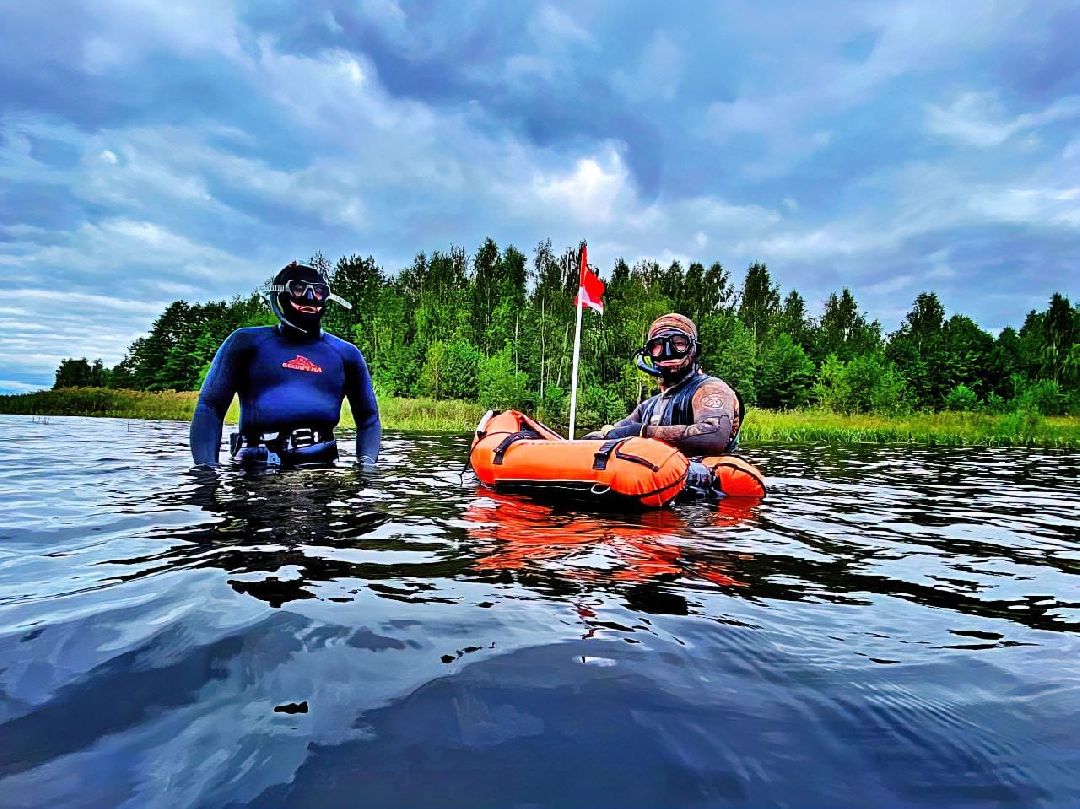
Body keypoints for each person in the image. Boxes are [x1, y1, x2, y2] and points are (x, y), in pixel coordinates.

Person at [190, 261, 381, 468]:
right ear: (280, 295)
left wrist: (367, 469)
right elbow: (210, 408)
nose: (309, 298)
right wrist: (206, 472)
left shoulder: (346, 354)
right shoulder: (245, 343)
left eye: (318, 292)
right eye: (298, 289)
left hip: (320, 470)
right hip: (256, 471)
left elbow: (368, 420)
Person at [584, 313, 742, 458]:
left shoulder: (711, 389)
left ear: (694, 350)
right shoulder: (648, 407)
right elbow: (613, 433)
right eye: (657, 346)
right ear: (648, 353)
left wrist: (640, 432)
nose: (668, 352)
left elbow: (713, 437)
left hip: (703, 484)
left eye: (679, 343)